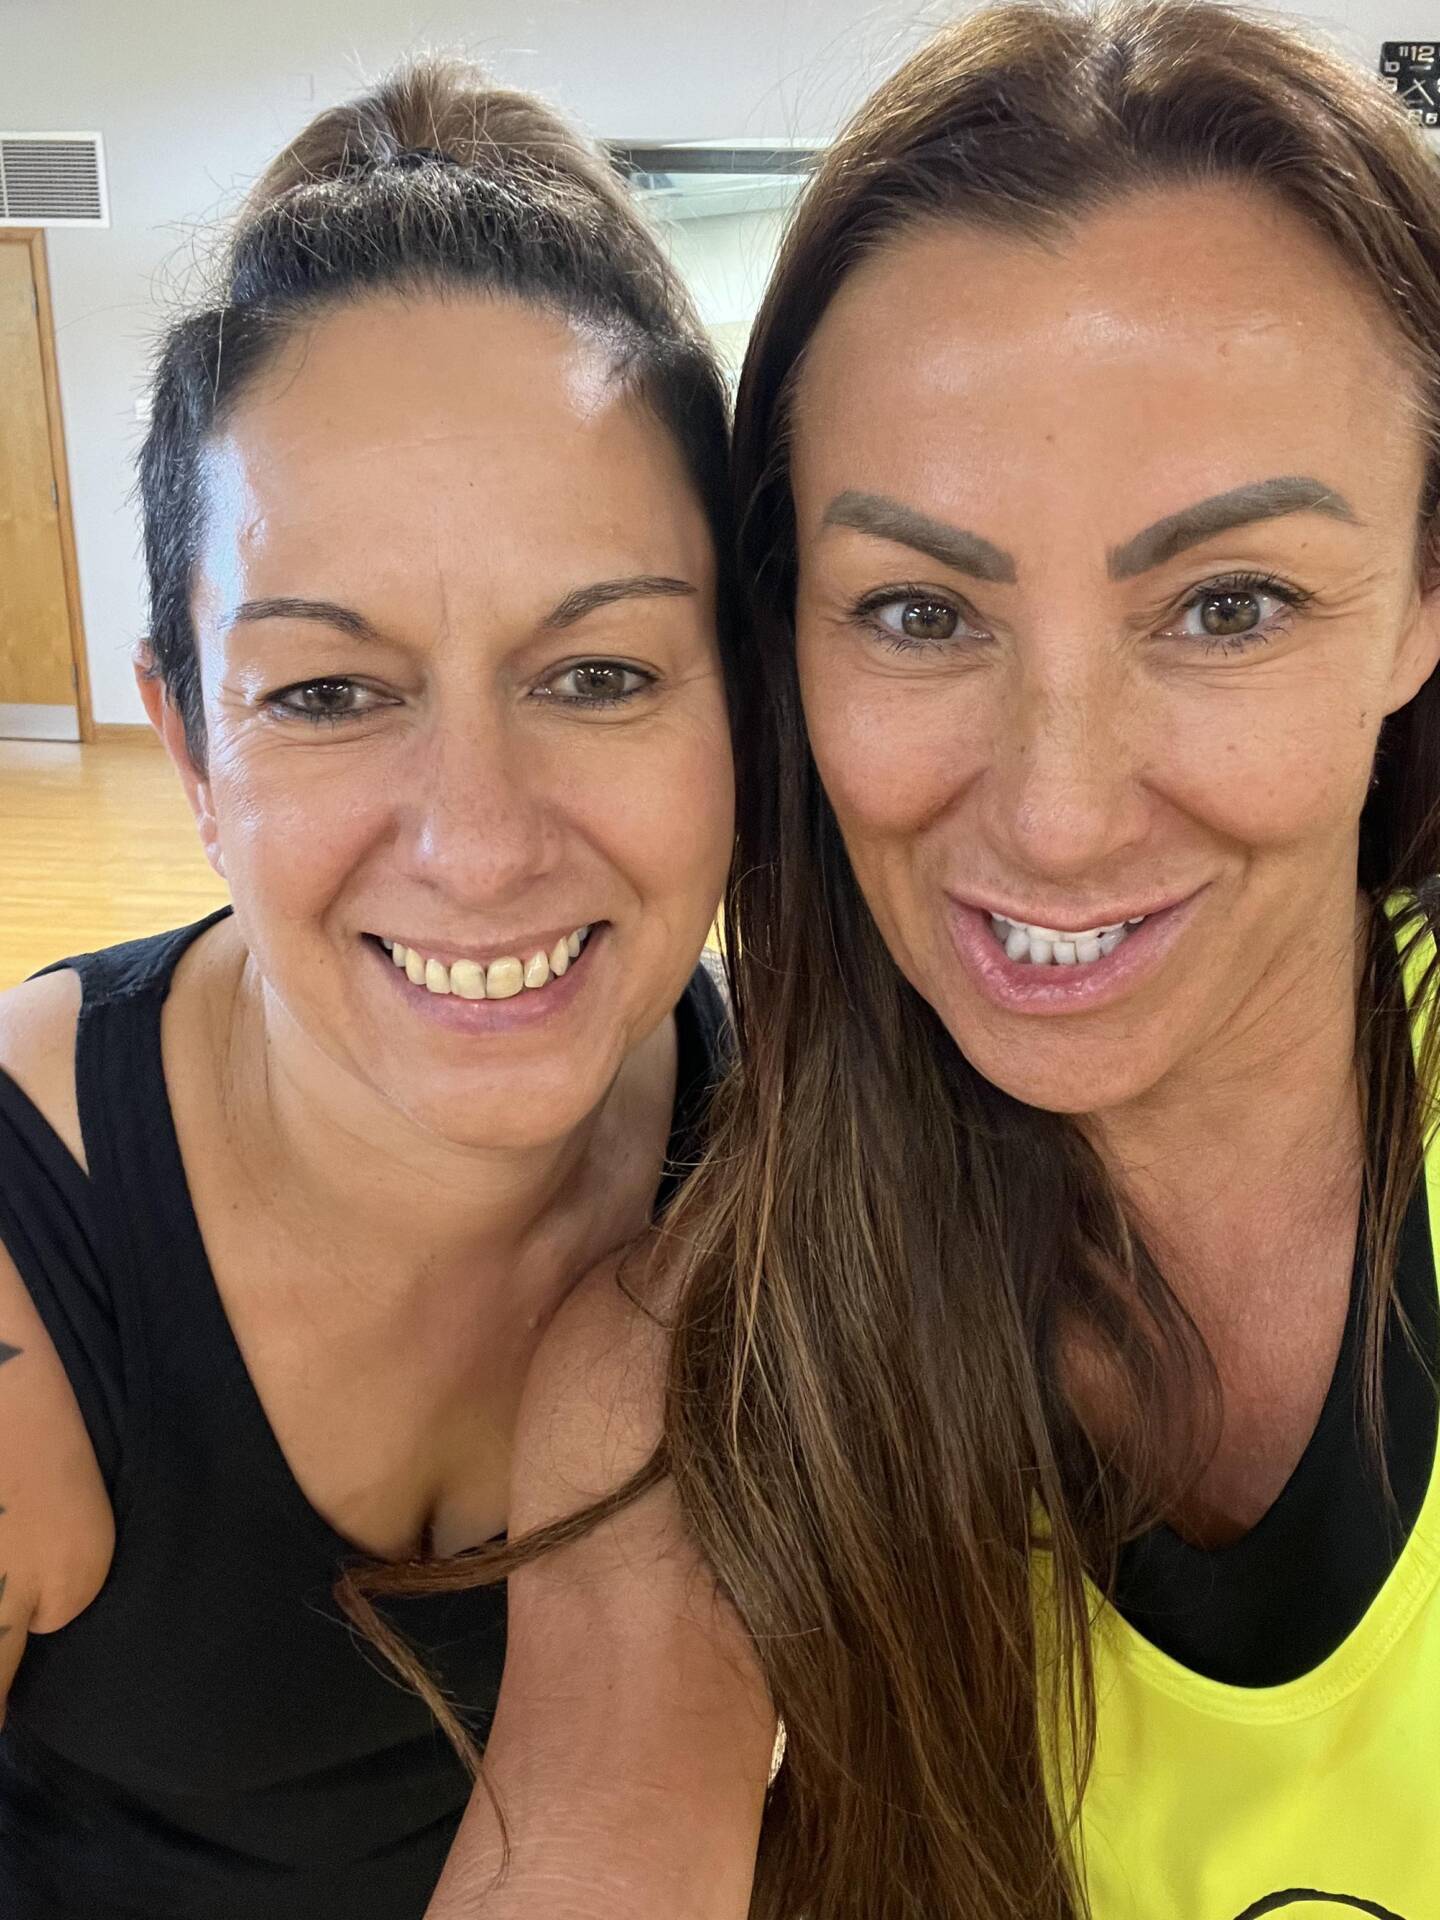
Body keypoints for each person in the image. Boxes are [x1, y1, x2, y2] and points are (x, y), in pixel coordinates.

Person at [430, 4, 1440, 1916]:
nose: (1058, 815)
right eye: (916, 611)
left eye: (1229, 606)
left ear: (1421, 600)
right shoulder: (703, 1378)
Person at [0, 56, 741, 1920]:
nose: (478, 846)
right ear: (189, 743)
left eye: (601, 674)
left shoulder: (789, 1149)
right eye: (328, 693)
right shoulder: (31, 1259)